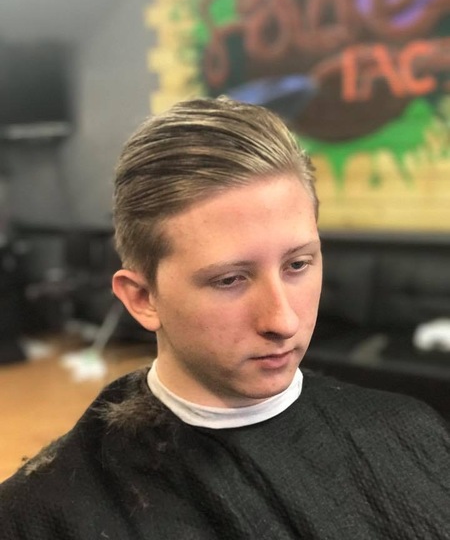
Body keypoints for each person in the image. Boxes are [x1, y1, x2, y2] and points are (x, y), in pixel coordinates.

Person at [1, 97, 450, 539]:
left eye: (297, 265)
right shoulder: (37, 515)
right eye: (230, 279)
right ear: (142, 298)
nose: (283, 322)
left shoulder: (413, 431)